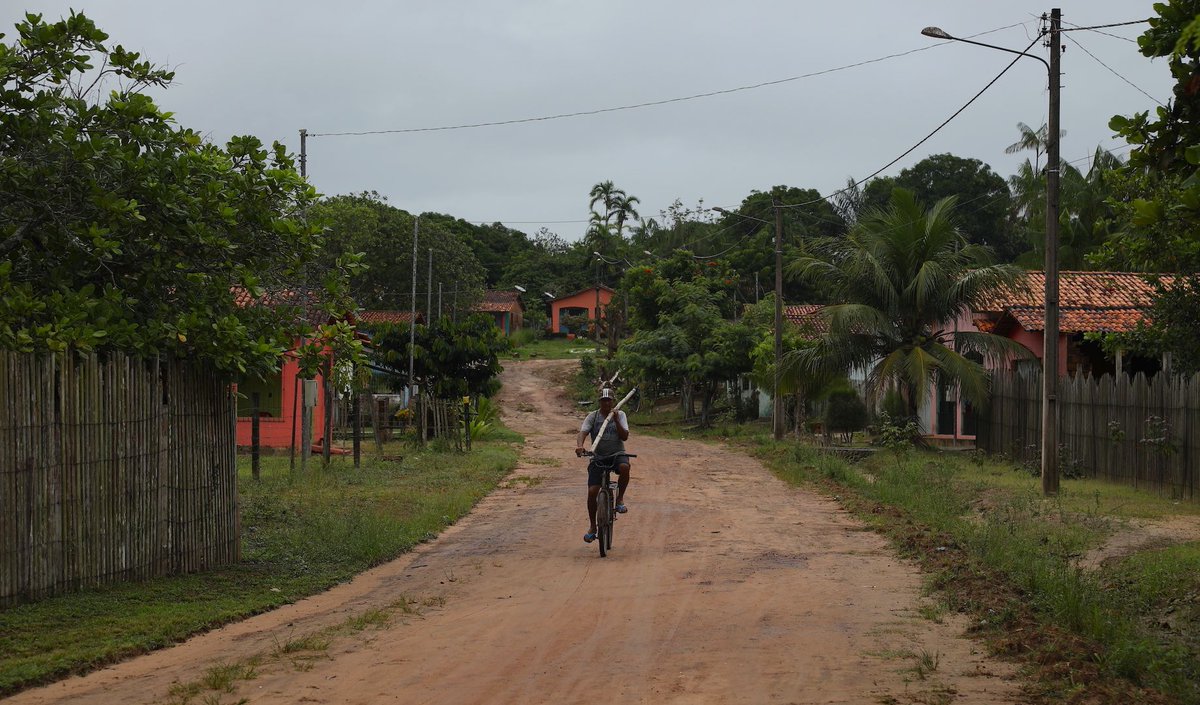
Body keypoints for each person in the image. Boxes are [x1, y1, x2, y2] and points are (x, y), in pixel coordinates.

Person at [575, 387, 630, 544]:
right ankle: (593, 527)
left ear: (613, 401)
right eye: (603, 400)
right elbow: (583, 433)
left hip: (617, 454)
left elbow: (625, 437)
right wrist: (580, 446)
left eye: (609, 400)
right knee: (592, 491)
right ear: (599, 402)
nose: (606, 403)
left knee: (625, 467)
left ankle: (619, 500)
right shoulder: (593, 417)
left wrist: (617, 420)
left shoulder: (621, 415)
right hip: (598, 456)